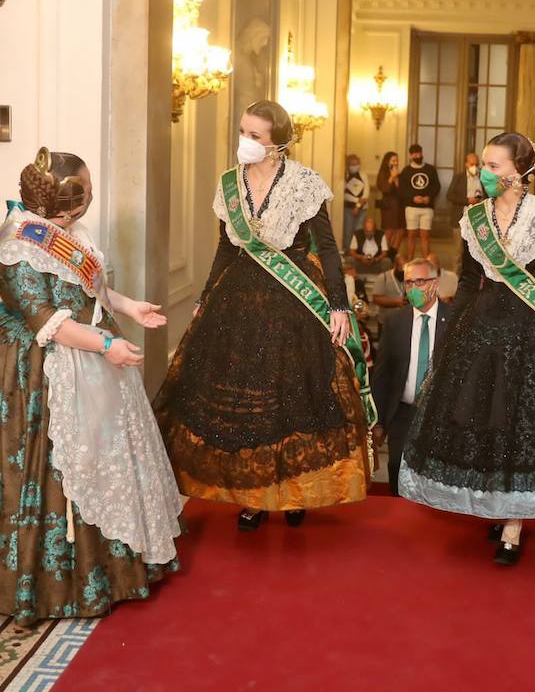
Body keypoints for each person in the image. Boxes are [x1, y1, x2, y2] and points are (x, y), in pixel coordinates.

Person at [0, 149, 182, 623]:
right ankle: (33, 584)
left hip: (88, 347)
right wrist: (106, 344)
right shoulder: (17, 245)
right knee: (39, 469)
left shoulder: (61, 230)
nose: (92, 198)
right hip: (33, 367)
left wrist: (128, 308)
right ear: (67, 206)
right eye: (87, 191)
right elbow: (47, 321)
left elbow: (87, 286)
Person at [398, 132, 535, 566]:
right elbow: (465, 282)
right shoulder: (473, 218)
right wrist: (449, 331)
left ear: (519, 174)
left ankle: (513, 527)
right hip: (480, 326)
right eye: (484, 164)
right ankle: (497, 507)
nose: (484, 172)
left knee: (518, 424)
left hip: (527, 331)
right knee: (483, 420)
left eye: (494, 166)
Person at [155, 100, 375, 532]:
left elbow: (328, 249)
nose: (244, 142)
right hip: (238, 302)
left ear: (278, 143)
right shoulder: (228, 184)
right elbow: (225, 247)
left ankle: (293, 491)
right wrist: (203, 298)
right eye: (243, 132)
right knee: (245, 404)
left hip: (293, 303)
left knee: (293, 399)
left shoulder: (304, 183)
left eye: (254, 136)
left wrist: (338, 304)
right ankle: (253, 496)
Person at [371, 259, 450, 495]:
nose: (413, 288)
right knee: (397, 471)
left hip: (440, 415)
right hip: (402, 412)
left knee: (435, 477)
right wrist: (380, 421)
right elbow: (382, 373)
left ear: (435, 283)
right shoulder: (395, 321)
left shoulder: (455, 319)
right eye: (408, 283)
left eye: (420, 281)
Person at [401, 144, 441, 261]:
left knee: (425, 236)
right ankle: (409, 262)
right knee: (411, 235)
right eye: (415, 155)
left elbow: (436, 186)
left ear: (422, 153)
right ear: (411, 156)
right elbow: (402, 190)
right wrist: (412, 198)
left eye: (419, 154)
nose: (417, 156)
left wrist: (429, 197)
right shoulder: (406, 171)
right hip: (411, 208)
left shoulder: (430, 169)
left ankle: (426, 262)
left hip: (427, 207)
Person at [376, 152, 406, 252]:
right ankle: (383, 253)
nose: (396, 163)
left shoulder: (400, 174)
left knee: (400, 231)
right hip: (388, 206)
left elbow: (403, 191)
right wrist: (392, 177)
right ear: (387, 162)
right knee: (389, 231)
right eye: (393, 161)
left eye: (397, 160)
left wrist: (397, 180)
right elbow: (384, 188)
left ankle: (393, 253)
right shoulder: (383, 173)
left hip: (400, 205)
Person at [342, 154, 370, 251]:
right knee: (348, 231)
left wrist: (358, 206)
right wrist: (356, 201)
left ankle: (357, 250)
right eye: (352, 164)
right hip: (348, 208)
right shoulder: (344, 175)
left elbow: (366, 193)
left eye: (357, 163)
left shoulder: (363, 174)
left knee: (359, 230)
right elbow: (343, 194)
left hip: (362, 208)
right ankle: (347, 250)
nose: (355, 166)